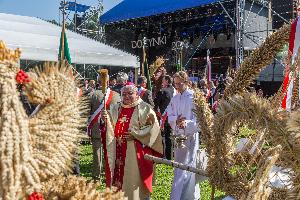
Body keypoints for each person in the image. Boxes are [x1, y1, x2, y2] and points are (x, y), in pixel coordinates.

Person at [101, 84, 163, 200]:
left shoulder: (145, 108)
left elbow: (154, 129)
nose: (127, 96)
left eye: (130, 93)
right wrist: (105, 118)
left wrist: (136, 134)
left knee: (133, 182)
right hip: (118, 151)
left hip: (134, 154)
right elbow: (110, 124)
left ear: (136, 94)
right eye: (124, 94)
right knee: (118, 182)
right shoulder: (116, 108)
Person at [167, 71, 200, 200]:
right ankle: (177, 196)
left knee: (190, 166)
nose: (177, 87)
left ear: (186, 82)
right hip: (179, 137)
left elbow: (200, 119)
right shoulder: (175, 98)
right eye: (175, 84)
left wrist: (187, 123)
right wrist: (176, 120)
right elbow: (170, 115)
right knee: (179, 167)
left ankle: (189, 196)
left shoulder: (194, 97)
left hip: (190, 136)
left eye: (179, 84)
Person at [88, 75, 120, 180]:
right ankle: (110, 175)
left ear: (98, 81)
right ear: (108, 81)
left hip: (97, 128)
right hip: (112, 128)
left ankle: (96, 178)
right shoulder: (116, 95)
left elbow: (88, 112)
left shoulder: (92, 95)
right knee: (111, 153)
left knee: (97, 154)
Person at [154, 75, 176, 160]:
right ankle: (170, 155)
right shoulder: (175, 91)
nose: (162, 82)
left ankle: (163, 155)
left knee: (163, 137)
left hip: (163, 118)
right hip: (173, 117)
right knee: (170, 137)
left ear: (166, 81)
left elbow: (155, 105)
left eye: (163, 80)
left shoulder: (162, 91)